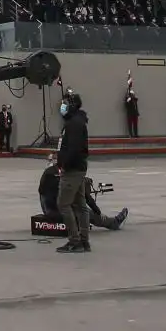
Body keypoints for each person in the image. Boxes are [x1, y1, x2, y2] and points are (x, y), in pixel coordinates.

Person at [53, 92, 91, 255]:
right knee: (81, 206)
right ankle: (84, 240)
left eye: (65, 103)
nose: (63, 106)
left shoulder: (73, 124)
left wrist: (63, 165)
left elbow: (73, 149)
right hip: (79, 169)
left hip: (72, 170)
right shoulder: (76, 121)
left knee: (63, 204)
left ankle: (75, 241)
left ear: (73, 105)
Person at [38, 164, 128, 232]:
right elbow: (87, 198)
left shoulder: (49, 171)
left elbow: (42, 192)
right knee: (85, 211)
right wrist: (98, 212)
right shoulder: (69, 176)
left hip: (48, 209)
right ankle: (113, 223)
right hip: (56, 211)